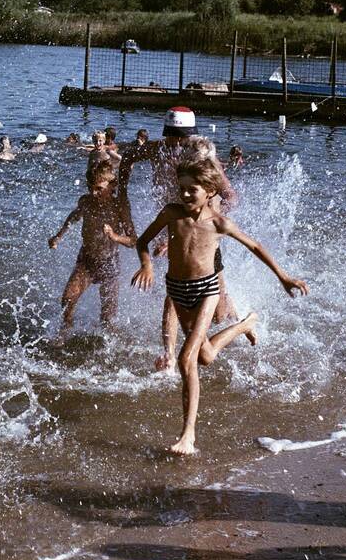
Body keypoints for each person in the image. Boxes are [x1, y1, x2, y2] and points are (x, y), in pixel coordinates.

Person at [128, 158, 308, 455]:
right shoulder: (171, 213)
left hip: (206, 291)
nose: (185, 195)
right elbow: (143, 241)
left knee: (187, 359)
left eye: (192, 190)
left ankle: (188, 435)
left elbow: (255, 246)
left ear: (210, 190)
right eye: (181, 188)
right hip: (177, 288)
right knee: (206, 357)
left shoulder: (219, 223)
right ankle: (245, 324)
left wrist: (284, 277)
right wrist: (146, 265)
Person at [120, 109, 239, 371]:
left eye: (181, 140)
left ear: (190, 137)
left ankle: (241, 328)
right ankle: (171, 356)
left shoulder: (202, 158)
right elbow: (127, 155)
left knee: (221, 314)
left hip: (204, 234)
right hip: (175, 225)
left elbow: (231, 197)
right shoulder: (157, 149)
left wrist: (208, 225)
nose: (175, 145)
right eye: (171, 138)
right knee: (175, 293)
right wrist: (121, 193)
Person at [48, 162, 135, 336]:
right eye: (90, 188)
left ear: (112, 186)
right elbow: (74, 216)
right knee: (67, 298)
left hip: (110, 263)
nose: (93, 193)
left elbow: (133, 240)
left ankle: (110, 352)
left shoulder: (119, 207)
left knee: (107, 318)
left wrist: (115, 237)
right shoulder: (86, 201)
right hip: (87, 260)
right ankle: (65, 332)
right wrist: (59, 235)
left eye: (98, 188)